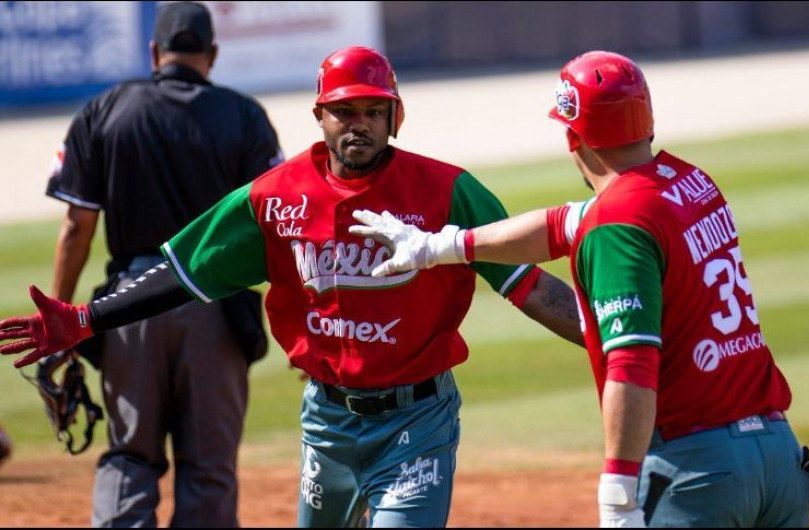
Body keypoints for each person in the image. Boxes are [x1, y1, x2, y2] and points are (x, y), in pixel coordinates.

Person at [0, 46, 583, 528]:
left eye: (374, 111)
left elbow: (530, 286)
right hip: (326, 424)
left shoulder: (449, 192)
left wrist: (618, 341)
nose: (358, 123)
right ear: (320, 116)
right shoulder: (274, 197)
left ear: (395, 118)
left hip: (417, 423)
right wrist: (85, 319)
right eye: (344, 110)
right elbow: (184, 273)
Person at [348, 50, 809, 527]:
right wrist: (442, 246)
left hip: (700, 471)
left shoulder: (616, 223)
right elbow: (560, 224)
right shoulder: (688, 183)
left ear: (572, 135)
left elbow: (631, 365)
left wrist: (618, 491)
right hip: (776, 457)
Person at [41, 2, 282, 526]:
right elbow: (274, 230)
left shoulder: (103, 110)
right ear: (212, 55)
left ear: (154, 52)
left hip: (128, 308)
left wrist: (62, 321)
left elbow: (76, 227)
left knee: (130, 456)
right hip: (216, 309)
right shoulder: (244, 115)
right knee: (209, 467)